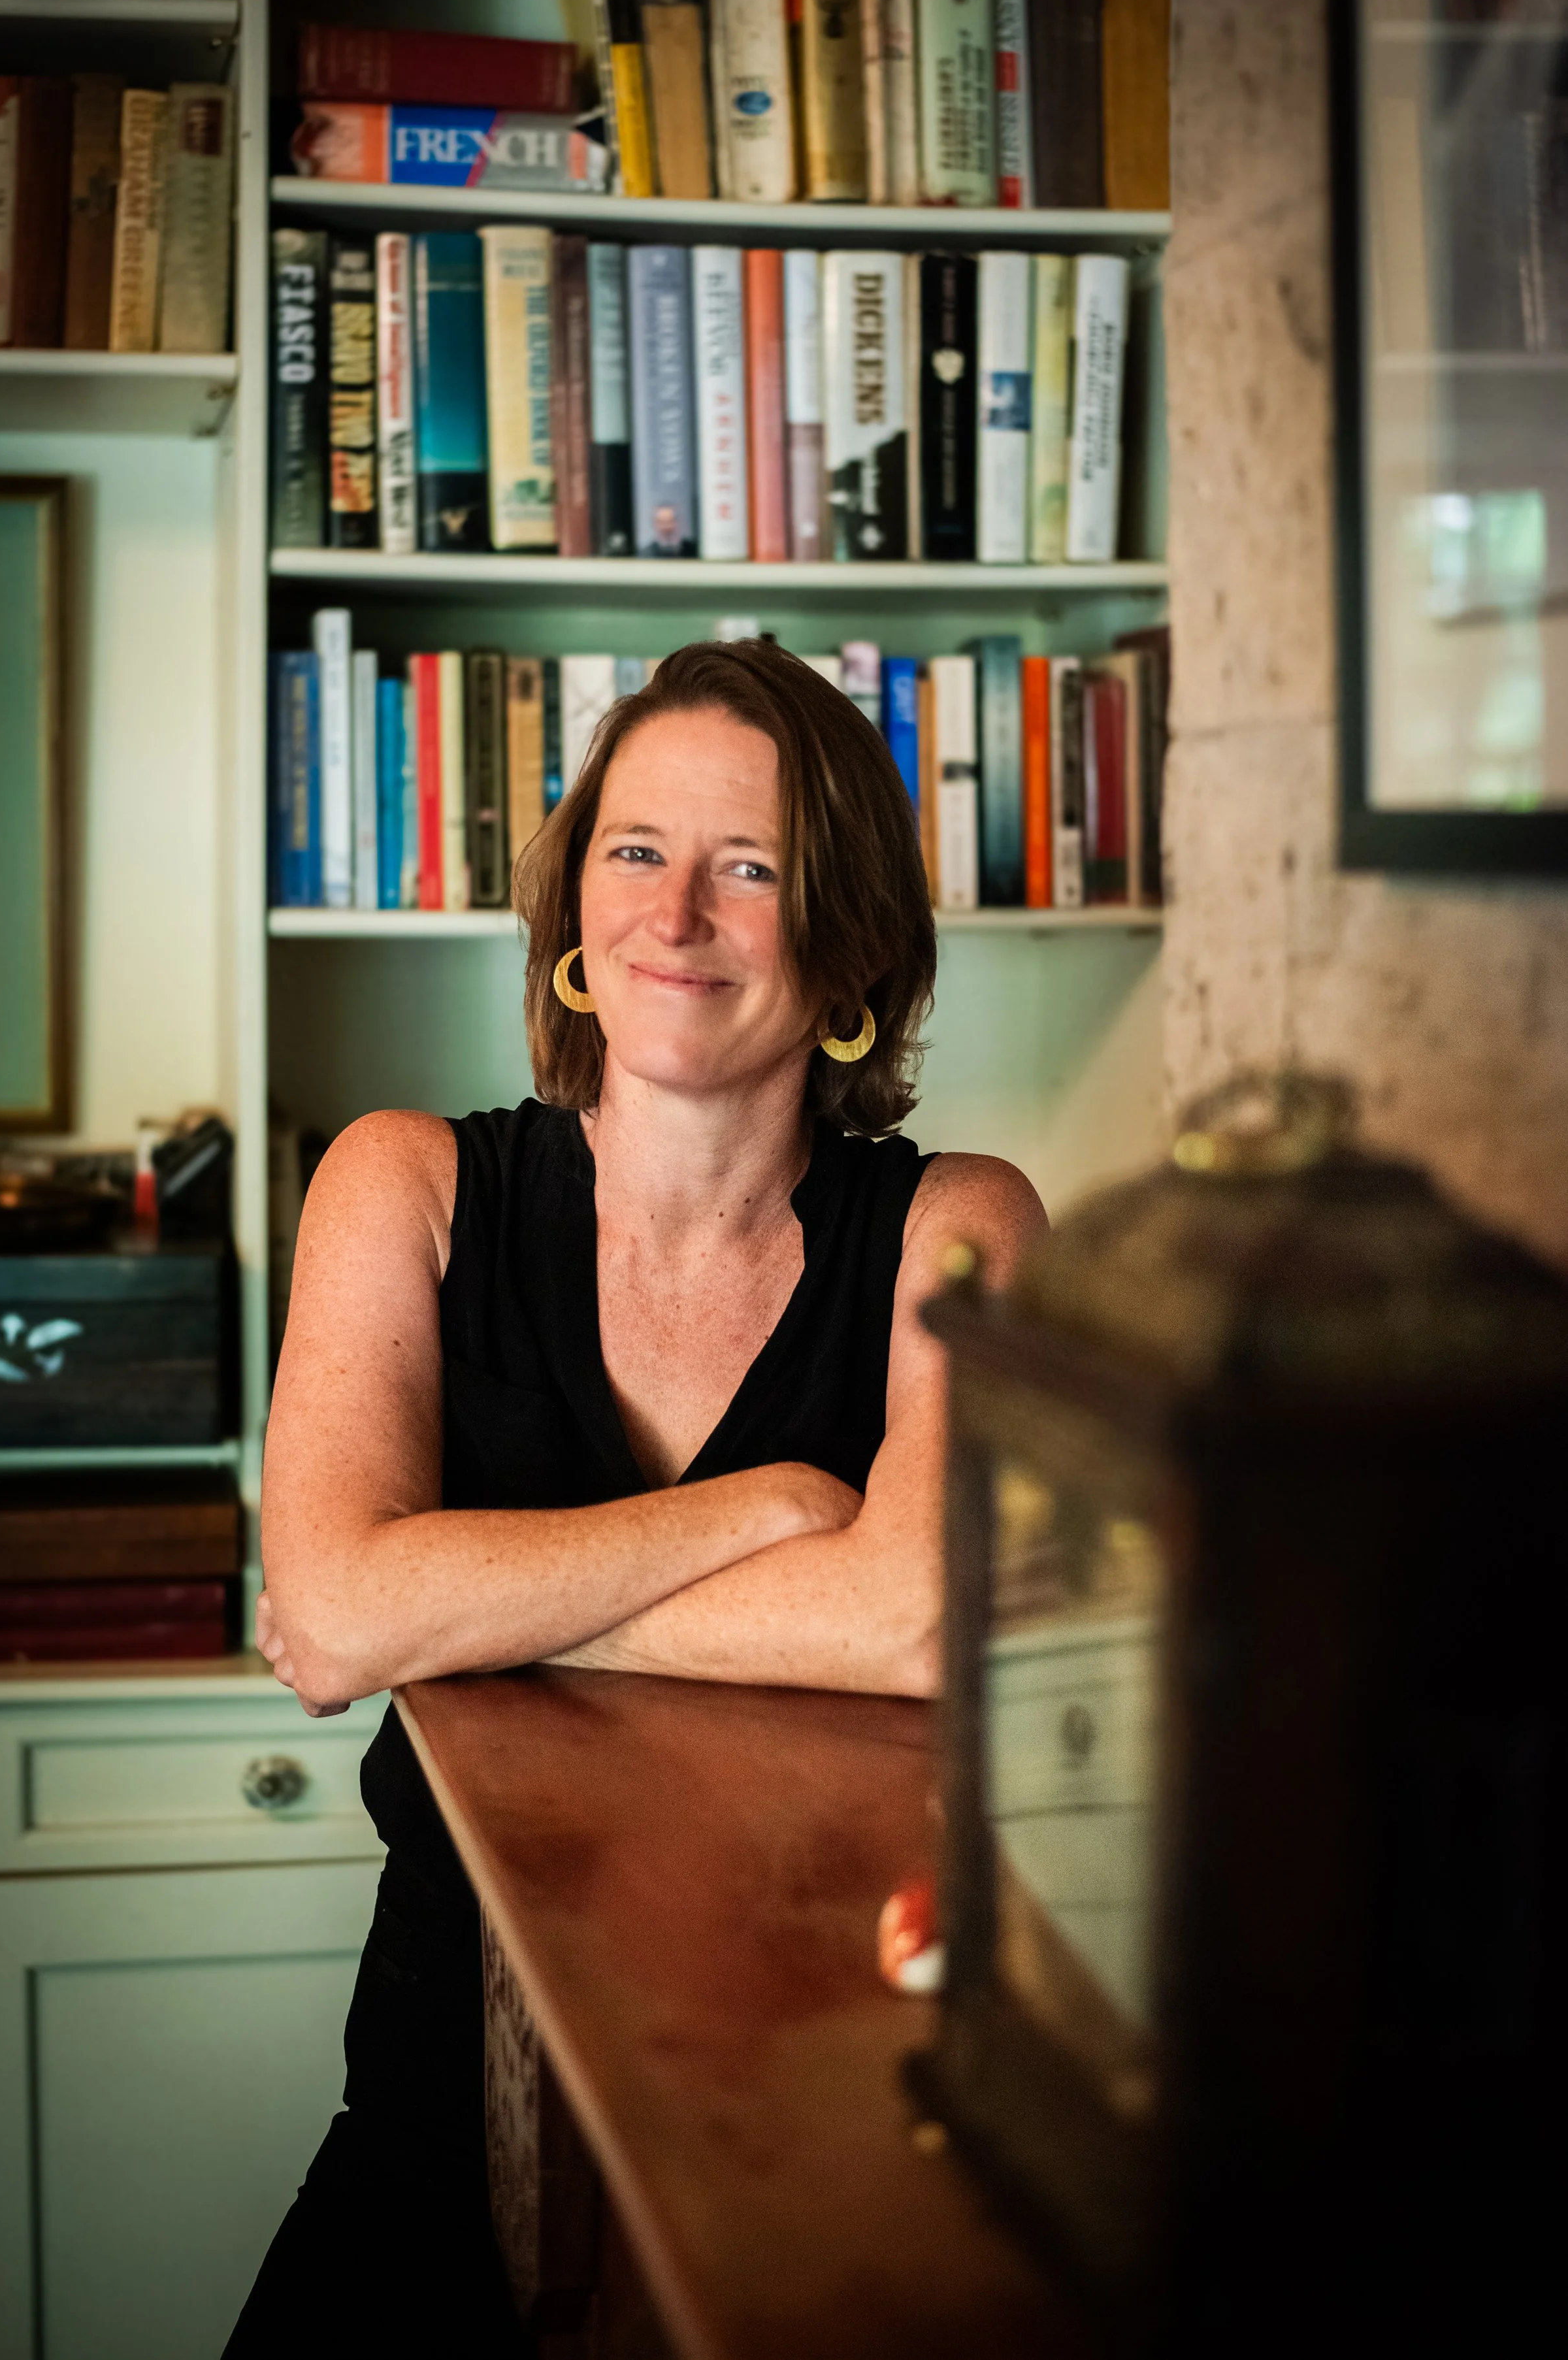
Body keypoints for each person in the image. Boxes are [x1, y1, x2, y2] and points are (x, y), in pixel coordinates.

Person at [223, 640, 1045, 2353]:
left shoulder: (961, 1225)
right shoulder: (401, 1183)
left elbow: (916, 1621)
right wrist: (776, 1507)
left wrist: (457, 1603)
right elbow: (341, 1615)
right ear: (574, 914)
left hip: (822, 2080)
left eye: (751, 869)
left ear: (852, 946)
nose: (675, 916)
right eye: (636, 850)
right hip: (446, 2081)